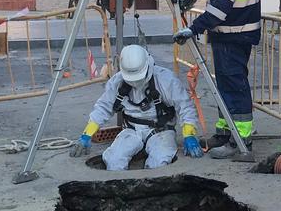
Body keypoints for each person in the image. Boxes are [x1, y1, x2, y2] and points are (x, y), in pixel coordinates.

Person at [174, 0, 261, 158]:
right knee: (225, 86)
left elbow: (220, 7)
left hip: (233, 35)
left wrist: (194, 28)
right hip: (236, 34)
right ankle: (225, 132)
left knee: (233, 86)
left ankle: (241, 140)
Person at [75, 44, 203, 170]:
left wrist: (189, 134)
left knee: (159, 163)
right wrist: (87, 135)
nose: (135, 82)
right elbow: (103, 108)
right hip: (131, 129)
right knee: (113, 160)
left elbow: (185, 107)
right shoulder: (117, 82)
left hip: (161, 129)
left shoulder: (166, 80)